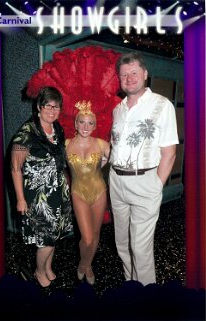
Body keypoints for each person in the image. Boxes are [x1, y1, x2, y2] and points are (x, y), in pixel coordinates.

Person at [109, 52, 179, 286]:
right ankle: (131, 285)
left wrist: (155, 185)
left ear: (145, 74)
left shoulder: (162, 105)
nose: (129, 78)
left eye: (134, 73)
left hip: (145, 182)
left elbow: (169, 152)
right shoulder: (117, 110)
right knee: (122, 242)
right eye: (124, 75)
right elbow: (116, 147)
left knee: (140, 247)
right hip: (116, 182)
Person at [11, 86, 73, 287]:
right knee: (46, 239)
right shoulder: (26, 132)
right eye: (48, 105)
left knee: (54, 236)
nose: (53, 110)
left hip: (58, 191)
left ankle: (47, 267)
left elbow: (60, 161)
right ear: (39, 106)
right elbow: (15, 169)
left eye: (57, 106)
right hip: (38, 196)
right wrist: (20, 199)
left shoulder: (58, 129)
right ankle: (39, 271)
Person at [65, 101, 110, 285]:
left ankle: (87, 265)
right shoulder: (66, 144)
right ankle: (83, 263)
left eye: (90, 123)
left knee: (96, 232)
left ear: (95, 125)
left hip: (99, 192)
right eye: (82, 122)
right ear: (75, 124)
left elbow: (121, 157)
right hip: (78, 193)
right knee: (87, 237)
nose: (85, 126)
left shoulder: (102, 144)